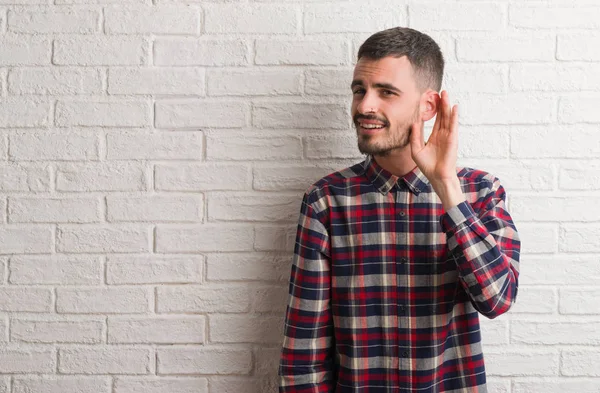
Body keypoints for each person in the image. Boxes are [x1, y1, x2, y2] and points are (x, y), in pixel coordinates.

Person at [278, 27, 521, 393]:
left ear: (428, 106)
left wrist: (446, 189)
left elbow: (498, 299)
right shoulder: (326, 201)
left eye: (386, 92)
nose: (364, 106)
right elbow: (304, 352)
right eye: (359, 90)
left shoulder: (481, 191)